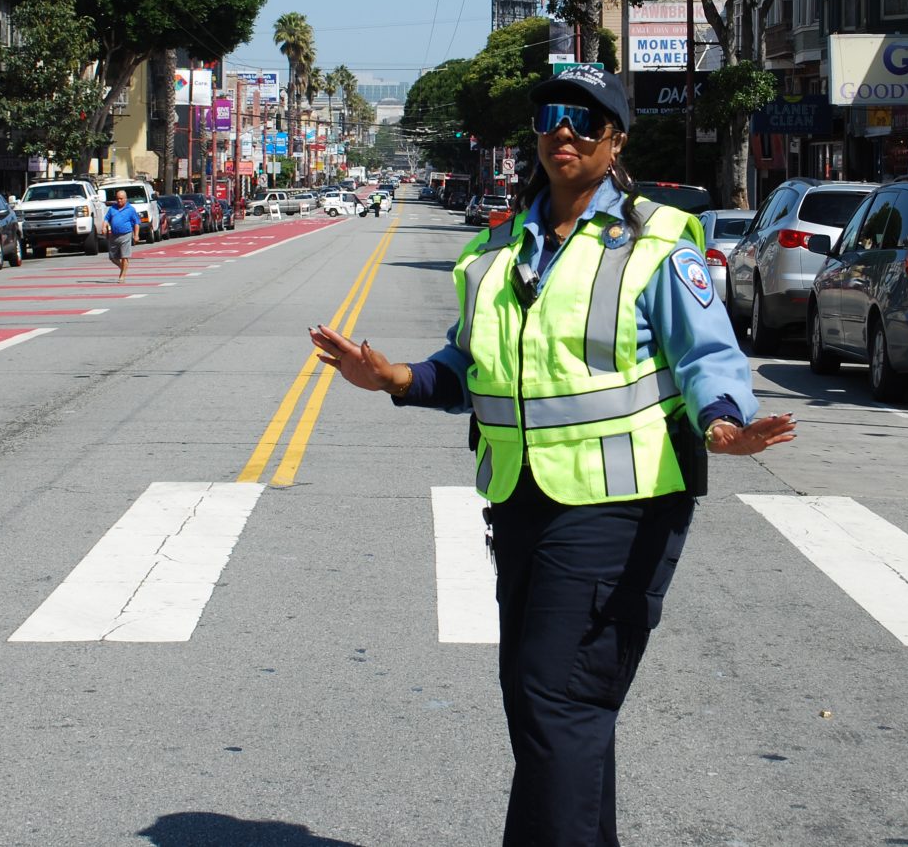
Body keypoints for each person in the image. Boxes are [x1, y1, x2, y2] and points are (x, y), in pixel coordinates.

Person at [310, 64, 795, 847]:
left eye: (583, 117)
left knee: (556, 698)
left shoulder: (657, 238)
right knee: (548, 702)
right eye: (549, 116)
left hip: (622, 505)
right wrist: (394, 378)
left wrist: (723, 422)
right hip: (523, 501)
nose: (561, 129)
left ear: (615, 138)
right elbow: (470, 369)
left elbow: (709, 354)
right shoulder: (497, 250)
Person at [105, 189, 141, 283]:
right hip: (114, 235)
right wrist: (104, 227)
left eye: (121, 199)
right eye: (117, 199)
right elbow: (106, 219)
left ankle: (122, 276)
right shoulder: (112, 208)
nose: (119, 201)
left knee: (124, 256)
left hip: (126, 234)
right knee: (112, 257)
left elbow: (136, 223)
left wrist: (136, 235)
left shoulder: (130, 209)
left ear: (125, 199)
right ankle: (123, 267)